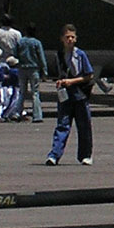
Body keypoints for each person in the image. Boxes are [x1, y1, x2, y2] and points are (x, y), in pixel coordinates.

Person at [45, 24, 96, 166]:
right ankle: (54, 155)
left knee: (84, 126)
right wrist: (62, 81)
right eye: (67, 37)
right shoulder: (59, 55)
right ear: (62, 38)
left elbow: (89, 75)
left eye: (73, 37)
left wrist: (71, 81)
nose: (70, 40)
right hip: (66, 95)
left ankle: (85, 155)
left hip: (79, 94)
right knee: (62, 124)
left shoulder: (80, 55)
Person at [14, 22, 48, 122]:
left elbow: (15, 54)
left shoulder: (20, 42)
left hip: (22, 68)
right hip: (33, 69)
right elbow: (41, 58)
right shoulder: (36, 43)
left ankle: (17, 112)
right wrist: (44, 71)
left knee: (22, 92)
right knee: (35, 93)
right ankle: (37, 115)